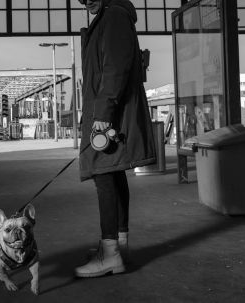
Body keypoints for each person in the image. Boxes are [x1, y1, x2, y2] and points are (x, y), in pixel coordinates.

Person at [75, 0, 156, 278]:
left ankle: (110, 254)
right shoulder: (112, 17)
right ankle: (119, 248)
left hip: (111, 115)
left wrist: (103, 114)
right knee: (113, 174)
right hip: (109, 112)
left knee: (105, 178)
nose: (85, 2)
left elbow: (114, 69)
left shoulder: (114, 18)